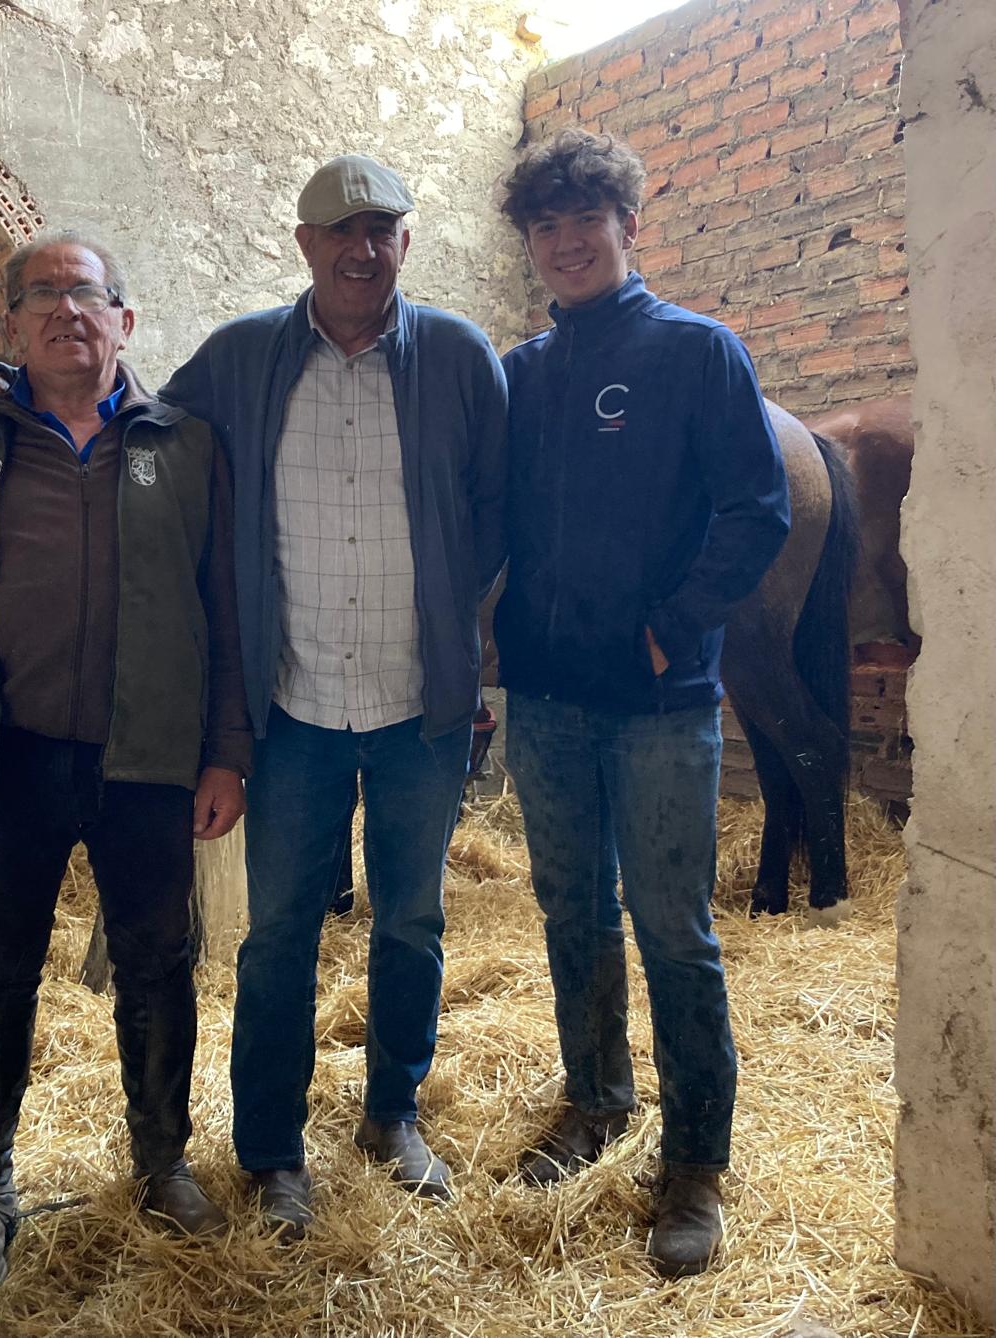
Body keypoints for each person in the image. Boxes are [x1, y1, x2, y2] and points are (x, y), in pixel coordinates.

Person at [0, 155, 509, 1240]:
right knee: (277, 934)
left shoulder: (461, 358)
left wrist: (457, 637)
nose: (360, 249)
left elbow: (495, 506)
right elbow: (119, 403)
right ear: (303, 245)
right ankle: (271, 1152)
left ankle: (392, 1116)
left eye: (381, 229)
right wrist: (5, 390)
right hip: (290, 706)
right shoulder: (244, 356)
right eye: (339, 231)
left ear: (404, 243)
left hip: (415, 706)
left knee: (414, 921)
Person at [0, 232, 251, 1290]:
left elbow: (223, 610)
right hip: (8, 755)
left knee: (157, 962)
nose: (64, 311)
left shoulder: (184, 447)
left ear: (125, 321)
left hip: (148, 757)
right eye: (39, 297)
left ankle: (161, 1162)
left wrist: (224, 751)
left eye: (86, 295)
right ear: (10, 330)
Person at [494, 128, 791, 1277]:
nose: (566, 243)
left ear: (629, 226)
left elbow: (755, 509)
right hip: (548, 698)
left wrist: (674, 625)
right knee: (570, 908)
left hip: (662, 702)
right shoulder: (523, 372)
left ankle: (694, 1163)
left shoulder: (696, 352)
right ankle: (596, 1103)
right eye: (545, 228)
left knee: (674, 930)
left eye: (585, 221)